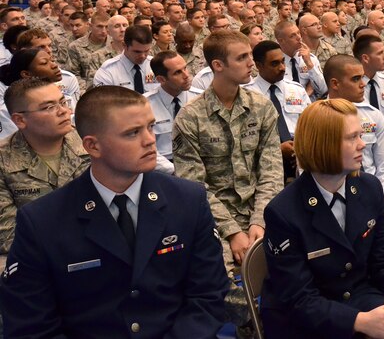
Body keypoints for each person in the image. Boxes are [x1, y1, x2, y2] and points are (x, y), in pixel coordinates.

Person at [0, 85, 228, 337]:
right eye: (132, 133)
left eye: (150, 127)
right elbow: (31, 323)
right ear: (93, 146)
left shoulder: (187, 200)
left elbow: (208, 295)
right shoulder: (43, 220)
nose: (150, 140)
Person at [260, 98, 384, 339]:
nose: (363, 145)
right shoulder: (283, 211)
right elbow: (299, 299)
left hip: (361, 297)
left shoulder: (368, 188)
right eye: (352, 137)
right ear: (323, 145)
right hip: (307, 321)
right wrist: (360, 322)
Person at [173, 30, 284, 335]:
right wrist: (233, 231)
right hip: (212, 220)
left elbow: (272, 172)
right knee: (220, 283)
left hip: (262, 210)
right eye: (243, 57)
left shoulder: (261, 107)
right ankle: (247, 326)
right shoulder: (190, 117)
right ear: (218, 65)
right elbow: (194, 187)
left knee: (295, 264)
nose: (252, 63)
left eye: (250, 55)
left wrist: (259, 221)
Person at [0, 79, 89, 266]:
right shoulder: (3, 160)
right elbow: (7, 233)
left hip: (97, 248)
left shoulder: (90, 143)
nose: (64, 111)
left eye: (63, 102)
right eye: (49, 107)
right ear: (20, 120)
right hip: (35, 260)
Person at [324, 54, 384, 191]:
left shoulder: (374, 116)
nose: (363, 84)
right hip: (332, 194)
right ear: (335, 84)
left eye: (362, 77)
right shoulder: (316, 119)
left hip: (372, 191)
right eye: (356, 79)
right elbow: (309, 168)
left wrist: (381, 195)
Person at [243, 41, 310, 181]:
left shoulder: (296, 90)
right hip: (265, 164)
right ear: (259, 65)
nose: (282, 68)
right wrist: (277, 149)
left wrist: (300, 147)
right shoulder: (246, 95)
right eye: (274, 63)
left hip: (302, 156)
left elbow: (312, 125)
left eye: (283, 62)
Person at [145, 51, 200, 175]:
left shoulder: (201, 98)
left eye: (185, 68)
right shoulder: (145, 105)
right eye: (178, 72)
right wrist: (177, 171)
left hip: (199, 165)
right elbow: (145, 148)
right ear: (161, 79)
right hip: (161, 170)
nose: (186, 75)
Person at [93, 24, 159, 94]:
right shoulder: (108, 71)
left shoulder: (156, 66)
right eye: (137, 52)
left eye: (146, 51)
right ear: (124, 45)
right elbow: (103, 102)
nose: (143, 56)